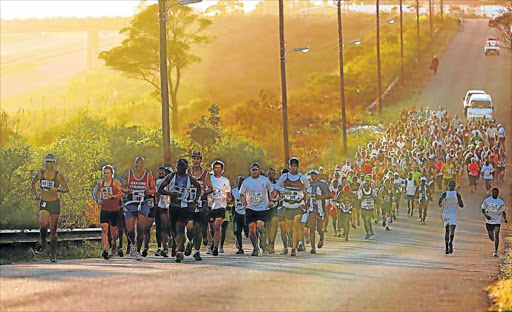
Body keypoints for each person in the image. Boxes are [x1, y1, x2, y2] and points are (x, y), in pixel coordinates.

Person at [158, 158, 201, 263]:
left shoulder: (190, 178)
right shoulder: (171, 176)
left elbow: (199, 187)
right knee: (172, 228)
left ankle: (180, 250)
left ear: (186, 167)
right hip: (173, 206)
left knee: (180, 227)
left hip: (184, 206)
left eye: (183, 166)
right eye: (179, 166)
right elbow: (160, 189)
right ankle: (176, 243)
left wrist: (195, 199)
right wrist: (171, 194)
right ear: (176, 166)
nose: (181, 168)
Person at [31, 154, 69, 262]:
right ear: (45, 163)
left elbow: (67, 188)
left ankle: (53, 254)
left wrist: (58, 190)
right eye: (48, 162)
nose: (49, 164)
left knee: (53, 230)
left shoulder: (58, 175)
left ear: (54, 163)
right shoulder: (40, 174)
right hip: (44, 202)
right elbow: (33, 183)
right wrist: (36, 195)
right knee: (43, 224)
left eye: (51, 162)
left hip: (55, 203)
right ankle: (43, 242)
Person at [121, 156, 156, 261]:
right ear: (134, 163)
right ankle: (133, 243)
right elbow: (123, 187)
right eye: (137, 163)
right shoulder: (129, 174)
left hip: (143, 203)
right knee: (130, 229)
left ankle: (138, 252)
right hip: (131, 202)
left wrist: (147, 192)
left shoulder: (148, 175)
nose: (139, 165)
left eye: (141, 163)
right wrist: (127, 191)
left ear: (144, 165)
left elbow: (154, 190)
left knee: (141, 228)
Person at [276, 157, 310, 256]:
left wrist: (307, 195)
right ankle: (291, 238)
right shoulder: (284, 176)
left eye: (295, 166)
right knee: (290, 228)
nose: (294, 168)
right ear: (289, 166)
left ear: (298, 167)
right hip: (287, 205)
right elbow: (277, 186)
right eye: (292, 166)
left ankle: (294, 249)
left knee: (296, 226)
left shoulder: (302, 178)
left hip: (298, 205)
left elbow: (308, 188)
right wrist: (283, 190)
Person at [239, 162, 274, 256]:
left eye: (256, 170)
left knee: (260, 227)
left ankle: (263, 243)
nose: (254, 172)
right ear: (250, 171)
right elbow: (241, 193)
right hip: (250, 207)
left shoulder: (265, 180)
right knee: (251, 229)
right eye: (253, 170)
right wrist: (243, 200)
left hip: (262, 208)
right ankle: (255, 247)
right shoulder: (246, 181)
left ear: (259, 171)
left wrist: (271, 200)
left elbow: (271, 191)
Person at [186, 151, 213, 259]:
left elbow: (211, 188)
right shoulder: (187, 172)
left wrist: (204, 192)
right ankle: (190, 240)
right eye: (194, 158)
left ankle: (197, 251)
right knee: (190, 226)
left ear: (201, 160)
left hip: (202, 202)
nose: (196, 161)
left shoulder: (205, 173)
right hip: (189, 202)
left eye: (198, 158)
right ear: (191, 160)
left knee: (199, 227)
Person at [96, 165, 125, 260]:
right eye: (105, 173)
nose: (106, 175)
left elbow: (122, 193)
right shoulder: (101, 182)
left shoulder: (115, 182)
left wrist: (112, 196)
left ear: (112, 174)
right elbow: (98, 192)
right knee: (104, 229)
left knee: (113, 231)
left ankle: (114, 244)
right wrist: (99, 200)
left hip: (114, 209)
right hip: (104, 209)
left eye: (108, 173)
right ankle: (105, 250)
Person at [209, 160, 231, 256]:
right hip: (211, 205)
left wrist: (228, 198)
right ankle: (212, 242)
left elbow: (228, 193)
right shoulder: (209, 179)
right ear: (213, 169)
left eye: (219, 168)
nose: (217, 169)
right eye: (215, 168)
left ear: (222, 170)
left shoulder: (225, 181)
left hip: (221, 206)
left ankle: (215, 247)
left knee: (217, 227)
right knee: (211, 228)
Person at [307, 170, 330, 254]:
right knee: (312, 228)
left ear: (318, 175)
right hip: (311, 209)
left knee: (319, 228)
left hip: (320, 209)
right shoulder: (308, 185)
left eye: (315, 175)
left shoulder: (323, 185)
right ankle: (313, 247)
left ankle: (321, 237)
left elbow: (329, 195)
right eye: (312, 175)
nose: (313, 176)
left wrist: (320, 197)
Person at [438, 180, 464, 254]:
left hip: (445, 213)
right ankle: (450, 242)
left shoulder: (445, 193)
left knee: (446, 230)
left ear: (448, 186)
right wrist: (458, 202)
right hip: (453, 214)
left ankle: (446, 248)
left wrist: (440, 204)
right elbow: (461, 205)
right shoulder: (457, 194)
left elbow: (439, 201)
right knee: (452, 231)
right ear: (455, 186)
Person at [481, 188, 508, 257]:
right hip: (489, 220)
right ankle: (491, 236)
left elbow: (503, 211)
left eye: (496, 193)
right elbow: (483, 209)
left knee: (497, 235)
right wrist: (486, 216)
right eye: (493, 192)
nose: (495, 194)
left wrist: (505, 218)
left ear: (498, 193)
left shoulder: (501, 202)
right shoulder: (487, 200)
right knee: (491, 235)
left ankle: (495, 251)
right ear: (491, 193)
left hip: (497, 220)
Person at [155, 167, 172, 257]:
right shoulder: (159, 182)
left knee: (171, 226)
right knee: (163, 226)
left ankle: (173, 242)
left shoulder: (174, 182)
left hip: (173, 206)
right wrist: (156, 204)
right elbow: (157, 194)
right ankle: (164, 248)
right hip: (162, 206)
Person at [231, 176, 248, 254]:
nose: (240, 183)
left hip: (247, 212)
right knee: (237, 231)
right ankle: (240, 247)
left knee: (248, 231)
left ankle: (255, 245)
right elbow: (231, 201)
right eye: (239, 181)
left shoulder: (248, 190)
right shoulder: (233, 190)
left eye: (242, 181)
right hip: (237, 212)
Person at [266, 168, 281, 254]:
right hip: (267, 206)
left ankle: (272, 244)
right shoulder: (264, 183)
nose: (270, 175)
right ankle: (268, 242)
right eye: (269, 173)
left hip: (276, 206)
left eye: (272, 173)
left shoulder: (278, 183)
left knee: (274, 225)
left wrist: (279, 198)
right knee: (268, 226)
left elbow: (281, 192)